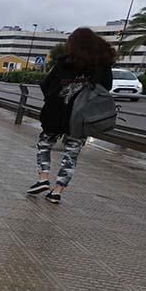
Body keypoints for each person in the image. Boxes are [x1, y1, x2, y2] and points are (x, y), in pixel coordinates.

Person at [27, 28, 114, 204]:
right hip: (81, 117)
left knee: (44, 143)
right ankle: (57, 191)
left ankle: (43, 179)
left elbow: (46, 84)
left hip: (56, 112)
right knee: (71, 153)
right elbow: (106, 88)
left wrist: (55, 99)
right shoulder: (102, 65)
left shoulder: (64, 63)